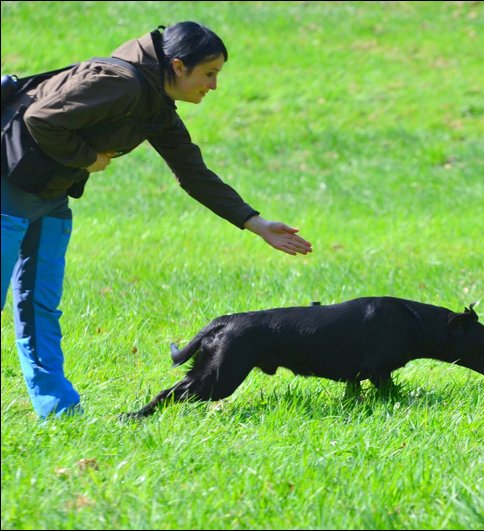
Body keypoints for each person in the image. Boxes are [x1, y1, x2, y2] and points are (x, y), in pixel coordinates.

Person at [0, 22, 312, 419]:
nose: (214, 85)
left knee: (40, 304)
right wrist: (88, 158)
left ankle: (59, 410)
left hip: (50, 196)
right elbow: (41, 118)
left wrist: (256, 223)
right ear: (178, 66)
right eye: (209, 73)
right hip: (9, 191)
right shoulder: (122, 84)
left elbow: (193, 172)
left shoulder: (155, 105)